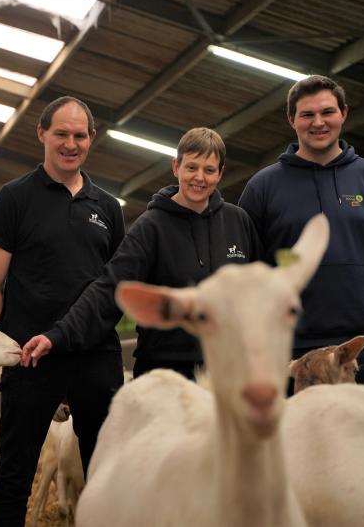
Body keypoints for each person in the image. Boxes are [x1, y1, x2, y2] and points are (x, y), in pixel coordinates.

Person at [0, 96, 125, 527]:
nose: (70, 144)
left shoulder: (108, 208)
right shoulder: (14, 197)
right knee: (14, 476)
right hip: (30, 356)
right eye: (61, 133)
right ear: (41, 133)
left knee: (105, 473)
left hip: (95, 356)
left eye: (80, 136)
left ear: (91, 138)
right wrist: (9, 347)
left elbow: (115, 287)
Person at [22, 127, 262, 381]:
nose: (199, 178)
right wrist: (59, 335)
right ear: (176, 167)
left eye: (209, 170)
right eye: (191, 167)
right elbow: (110, 287)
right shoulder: (151, 226)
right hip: (164, 374)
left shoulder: (239, 222)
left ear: (220, 173)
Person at [238, 75, 364, 392]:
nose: (318, 122)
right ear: (292, 120)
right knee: (297, 440)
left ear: (343, 114)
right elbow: (251, 269)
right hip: (292, 348)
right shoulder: (262, 187)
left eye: (327, 112)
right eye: (307, 115)